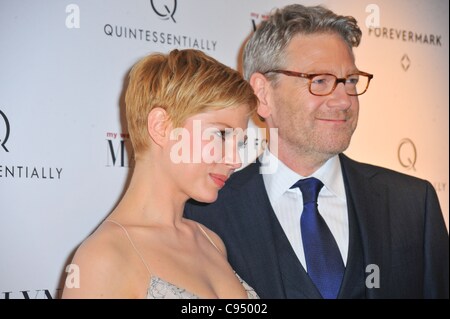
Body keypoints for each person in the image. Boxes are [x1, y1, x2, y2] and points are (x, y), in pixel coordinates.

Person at [185, 4, 449, 299]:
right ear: (263, 94)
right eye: (319, 81)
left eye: (350, 81)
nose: (343, 101)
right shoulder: (204, 215)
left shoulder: (413, 204)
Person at [62, 49, 259, 299]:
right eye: (221, 135)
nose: (235, 160)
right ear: (161, 127)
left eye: (239, 143)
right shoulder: (103, 258)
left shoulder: (210, 241)